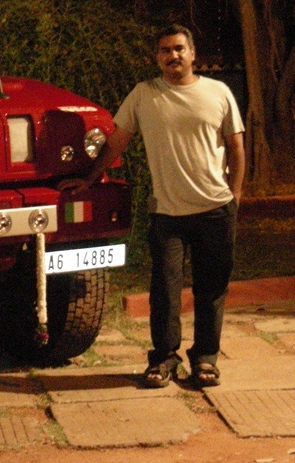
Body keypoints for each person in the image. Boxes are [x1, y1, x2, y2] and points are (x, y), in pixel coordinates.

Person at [59, 24, 245, 389]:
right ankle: (163, 359)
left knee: (212, 289)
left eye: (179, 48)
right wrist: (90, 179)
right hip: (167, 214)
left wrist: (235, 198)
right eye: (165, 50)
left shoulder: (218, 92)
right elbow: (116, 143)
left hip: (215, 209)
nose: (172, 55)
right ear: (156, 57)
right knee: (164, 290)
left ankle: (206, 358)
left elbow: (236, 147)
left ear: (193, 53)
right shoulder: (145, 95)